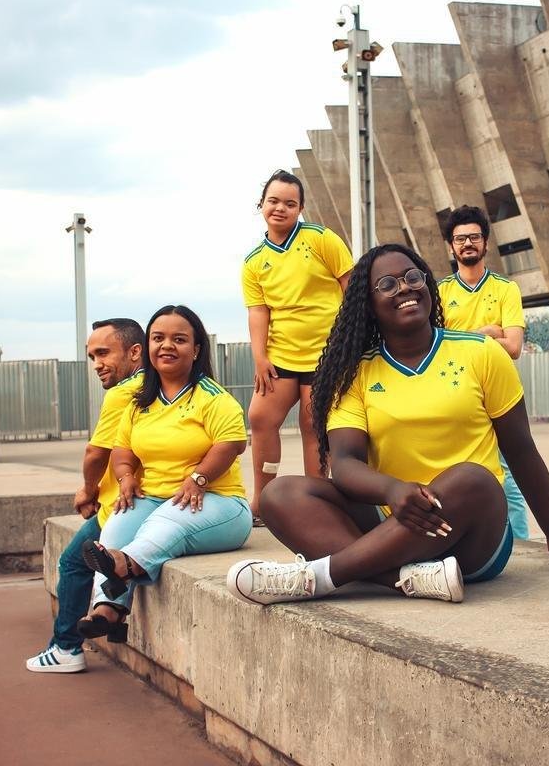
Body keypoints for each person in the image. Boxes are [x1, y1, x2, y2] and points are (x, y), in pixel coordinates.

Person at [226, 244, 549, 607]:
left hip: (469, 532)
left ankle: (317, 578)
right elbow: (344, 462)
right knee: (280, 495)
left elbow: (521, 451)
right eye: (387, 284)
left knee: (473, 478)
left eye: (412, 277)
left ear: (428, 286)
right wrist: (393, 490)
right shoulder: (355, 372)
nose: (403, 287)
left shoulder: (481, 353)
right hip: (393, 517)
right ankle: (405, 580)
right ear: (367, 304)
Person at [77, 305, 252, 640]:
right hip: (155, 497)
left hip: (219, 504)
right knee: (117, 524)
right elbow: (122, 450)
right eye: (158, 338)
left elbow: (232, 443)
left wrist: (198, 478)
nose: (167, 345)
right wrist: (126, 477)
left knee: (166, 520)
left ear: (196, 349)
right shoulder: (138, 402)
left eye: (179, 339)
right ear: (148, 346)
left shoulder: (213, 398)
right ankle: (108, 610)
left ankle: (123, 565)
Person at [25, 317, 144, 673]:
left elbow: (97, 452)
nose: (97, 364)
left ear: (135, 352)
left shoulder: (123, 392)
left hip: (128, 502)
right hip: (154, 498)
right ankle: (111, 615)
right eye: (92, 356)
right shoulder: (158, 386)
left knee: (74, 562)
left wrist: (87, 490)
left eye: (104, 353)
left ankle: (65, 648)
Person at [241, 170, 353, 519]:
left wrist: (350, 342)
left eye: (290, 203)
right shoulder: (254, 261)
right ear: (262, 204)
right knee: (260, 417)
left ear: (300, 208)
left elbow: (351, 287)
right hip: (281, 355)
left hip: (325, 354)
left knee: (312, 425)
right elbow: (259, 313)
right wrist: (260, 357)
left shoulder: (322, 239)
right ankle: (263, 497)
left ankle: (316, 500)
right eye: (273, 201)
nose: (280, 208)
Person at [437, 204, 530, 539]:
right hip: (455, 395)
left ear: (486, 242)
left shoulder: (506, 289)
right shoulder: (441, 292)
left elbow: (515, 346)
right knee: (455, 473)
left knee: (510, 477)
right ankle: (465, 541)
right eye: (460, 239)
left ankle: (520, 545)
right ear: (451, 246)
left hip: (501, 395)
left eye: (474, 237)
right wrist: (486, 334)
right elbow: (437, 346)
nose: (467, 244)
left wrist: (465, 338)